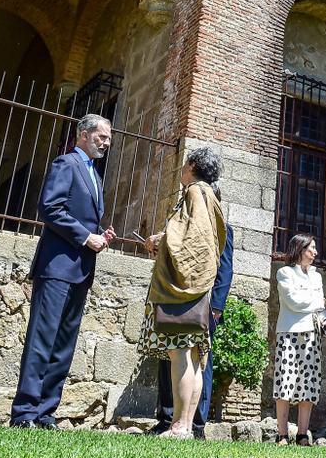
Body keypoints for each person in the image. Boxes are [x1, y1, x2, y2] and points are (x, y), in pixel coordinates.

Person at [11, 114, 116, 428]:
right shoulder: (66, 164)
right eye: (101, 136)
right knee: (42, 340)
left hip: (81, 271)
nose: (106, 143)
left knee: (63, 344)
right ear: (83, 135)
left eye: (109, 139)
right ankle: (24, 413)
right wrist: (86, 236)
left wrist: (99, 237)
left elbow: (82, 220)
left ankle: (45, 413)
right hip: (56, 268)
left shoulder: (95, 176)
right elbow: (50, 208)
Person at [139, 147, 227, 440]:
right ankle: (186, 426)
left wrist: (161, 242)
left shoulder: (195, 192)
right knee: (194, 357)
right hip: (199, 290)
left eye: (185, 162)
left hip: (185, 291)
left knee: (181, 356)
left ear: (192, 165)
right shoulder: (208, 194)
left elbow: (193, 241)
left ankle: (179, 425)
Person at [151, 198, 234, 437]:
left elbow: (225, 269)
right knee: (170, 358)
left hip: (206, 306)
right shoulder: (185, 225)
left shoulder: (223, 228)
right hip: (177, 300)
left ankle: (196, 423)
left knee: (201, 362)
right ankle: (167, 417)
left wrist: (217, 306)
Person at [273, 233, 326, 446]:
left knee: (309, 384)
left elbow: (320, 305)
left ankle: (302, 433)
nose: (315, 252)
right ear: (300, 249)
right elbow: (293, 301)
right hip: (289, 332)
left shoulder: (317, 276)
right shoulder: (284, 272)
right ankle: (282, 434)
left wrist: (315, 303)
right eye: (311, 248)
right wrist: (315, 300)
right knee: (285, 381)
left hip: (312, 333)